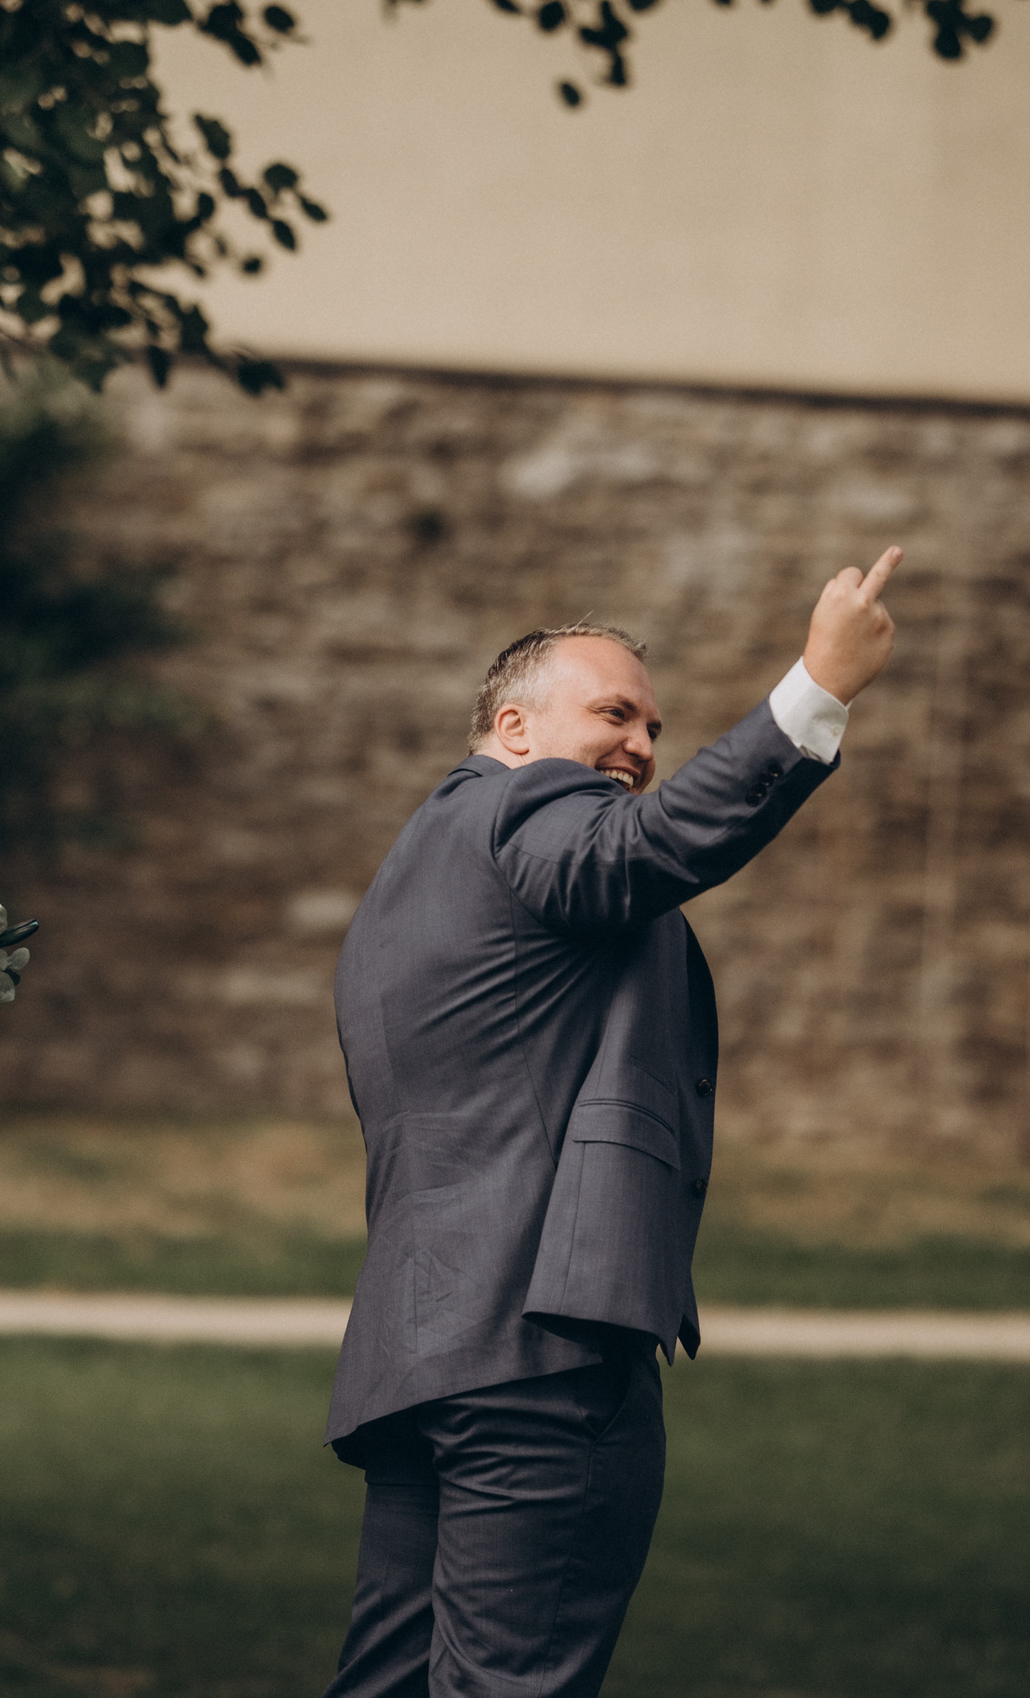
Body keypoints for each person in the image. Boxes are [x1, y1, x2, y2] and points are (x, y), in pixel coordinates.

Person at [321, 548, 906, 1698]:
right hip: (542, 1351)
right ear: (515, 726)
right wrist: (816, 687)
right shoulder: (531, 807)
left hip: (418, 1354)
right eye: (613, 712)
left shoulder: (411, 876)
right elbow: (639, 850)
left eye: (652, 724)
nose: (640, 745)